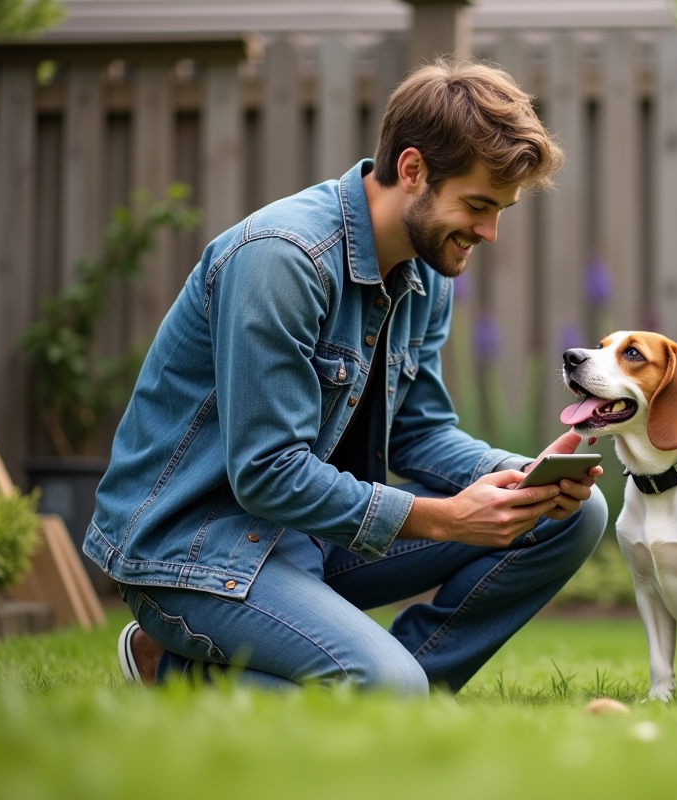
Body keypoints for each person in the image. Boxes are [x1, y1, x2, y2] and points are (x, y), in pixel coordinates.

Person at [87, 59, 607, 693]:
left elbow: (421, 432)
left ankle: (398, 686)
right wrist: (445, 518)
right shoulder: (283, 260)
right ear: (412, 170)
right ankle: (166, 665)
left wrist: (522, 478)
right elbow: (267, 471)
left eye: (501, 210)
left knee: (572, 515)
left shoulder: (425, 267)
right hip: (198, 546)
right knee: (388, 686)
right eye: (477, 205)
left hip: (313, 532)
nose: (489, 232)